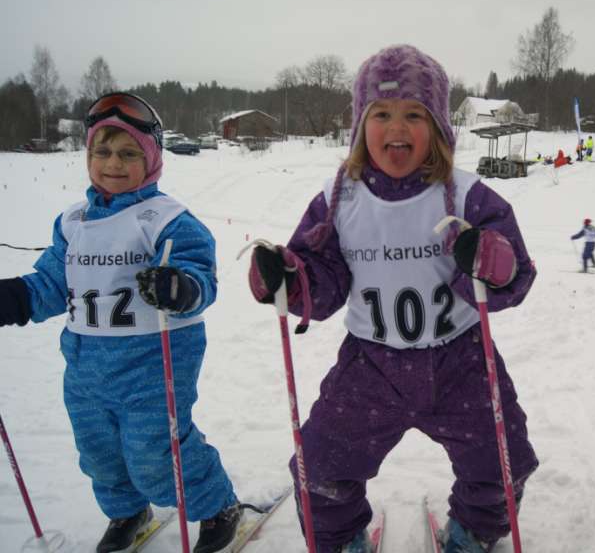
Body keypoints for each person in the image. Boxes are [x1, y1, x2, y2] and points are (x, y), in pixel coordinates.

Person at [247, 44, 539, 553]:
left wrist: (491, 259)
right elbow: (322, 276)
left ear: (439, 128)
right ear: (362, 125)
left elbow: (516, 274)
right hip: (371, 365)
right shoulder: (340, 197)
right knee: (319, 466)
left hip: (461, 359)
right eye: (381, 114)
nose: (396, 127)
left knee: (502, 458)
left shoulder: (469, 196)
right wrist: (288, 280)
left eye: (413, 114)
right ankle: (339, 539)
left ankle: (473, 532)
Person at [0, 93, 241, 553]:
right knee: (100, 455)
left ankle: (216, 506)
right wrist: (12, 299)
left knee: (157, 453)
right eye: (102, 152)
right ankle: (127, 511)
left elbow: (200, 277)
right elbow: (51, 284)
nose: (114, 163)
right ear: (88, 155)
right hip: (86, 370)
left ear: (151, 159)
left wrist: (182, 287)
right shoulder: (74, 222)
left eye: (129, 153)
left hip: (153, 367)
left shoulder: (167, 220)